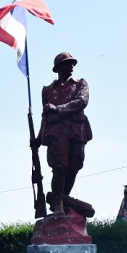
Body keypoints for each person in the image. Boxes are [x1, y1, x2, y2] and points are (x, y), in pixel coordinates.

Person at [33, 52, 94, 217]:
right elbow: (44, 116)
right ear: (58, 67)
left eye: (73, 63)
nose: (72, 66)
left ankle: (60, 197)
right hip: (56, 130)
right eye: (68, 63)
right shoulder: (48, 90)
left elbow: (82, 101)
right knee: (60, 167)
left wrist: (59, 109)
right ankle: (59, 203)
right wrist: (39, 138)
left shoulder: (80, 84)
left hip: (76, 129)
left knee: (75, 166)